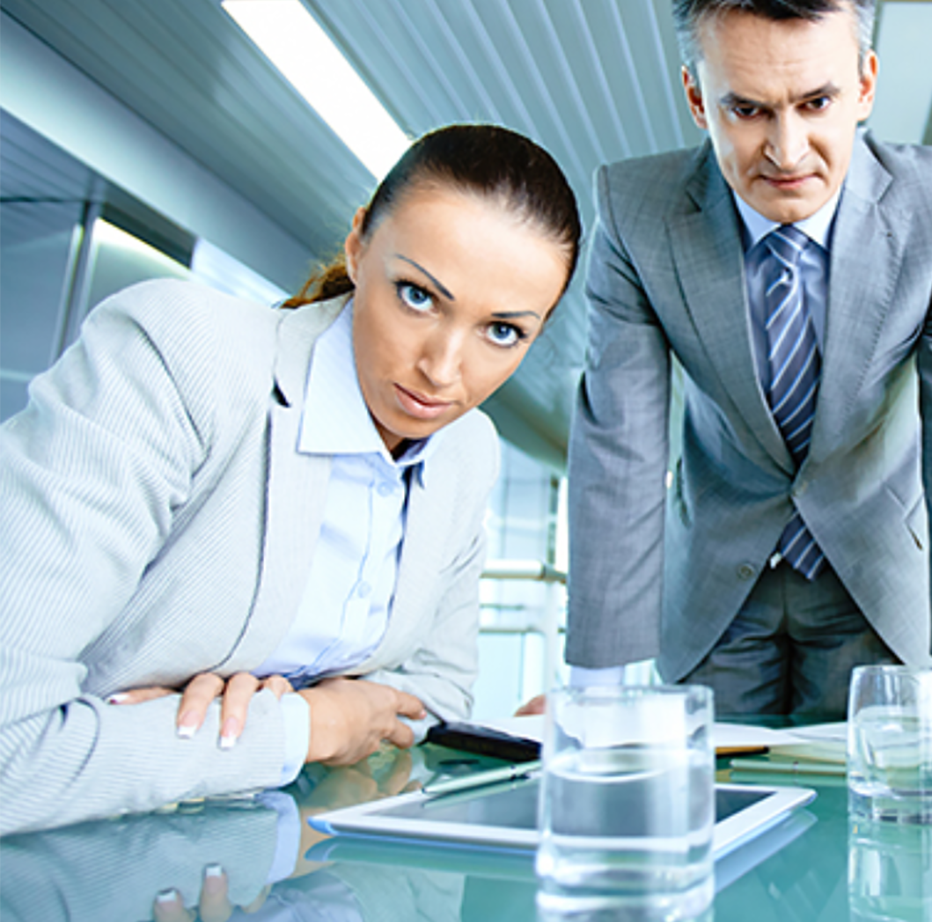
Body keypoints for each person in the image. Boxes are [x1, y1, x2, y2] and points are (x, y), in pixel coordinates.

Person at [0, 124, 580, 836]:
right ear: (359, 243)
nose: (442, 369)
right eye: (418, 296)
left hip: (268, 863)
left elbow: (427, 701)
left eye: (502, 332)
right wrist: (299, 728)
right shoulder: (178, 359)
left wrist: (253, 723)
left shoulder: (466, 451)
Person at [563, 0, 932, 715]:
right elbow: (620, 449)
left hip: (878, 582)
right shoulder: (634, 212)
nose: (786, 151)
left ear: (866, 85)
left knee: (876, 822)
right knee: (704, 816)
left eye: (817, 103)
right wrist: (599, 692)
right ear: (695, 99)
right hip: (712, 585)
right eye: (746, 109)